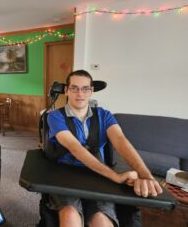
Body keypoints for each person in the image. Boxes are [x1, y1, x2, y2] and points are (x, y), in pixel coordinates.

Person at [47, 70, 163, 227]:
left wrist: (146, 175)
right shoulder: (54, 116)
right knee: (70, 216)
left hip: (99, 175)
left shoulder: (104, 115)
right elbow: (74, 147)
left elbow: (121, 141)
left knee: (101, 220)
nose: (80, 93)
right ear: (67, 90)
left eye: (85, 88)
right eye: (74, 88)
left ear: (91, 91)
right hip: (66, 173)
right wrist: (116, 177)